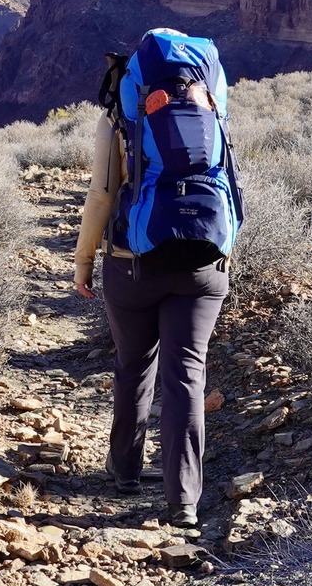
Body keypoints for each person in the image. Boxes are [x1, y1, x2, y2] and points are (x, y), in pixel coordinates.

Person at [72, 50, 232, 530]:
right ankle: (183, 499)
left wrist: (83, 261)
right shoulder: (213, 113)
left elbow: (102, 194)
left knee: (133, 365)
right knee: (186, 376)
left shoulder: (121, 120)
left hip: (132, 265)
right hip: (204, 264)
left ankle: (124, 471)